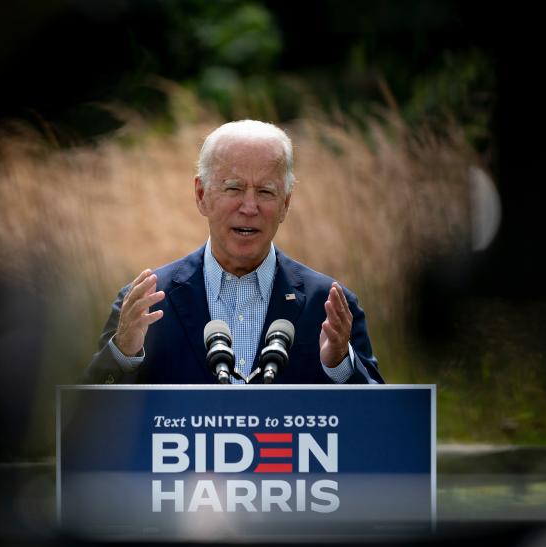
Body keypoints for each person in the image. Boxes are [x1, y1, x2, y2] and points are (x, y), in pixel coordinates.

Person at [82, 119, 383, 385]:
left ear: (286, 204)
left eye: (266, 191)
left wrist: (341, 365)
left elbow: (383, 427)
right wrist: (122, 353)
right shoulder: (147, 304)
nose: (249, 207)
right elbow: (84, 426)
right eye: (233, 188)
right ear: (201, 195)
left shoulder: (329, 306)